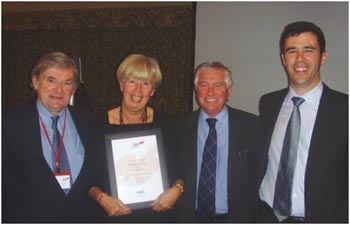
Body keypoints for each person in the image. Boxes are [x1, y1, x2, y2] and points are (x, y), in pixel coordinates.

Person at [257, 21, 348, 223]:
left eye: (308, 50)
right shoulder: (268, 103)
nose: (299, 59)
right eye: (292, 51)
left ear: (323, 56)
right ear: (283, 58)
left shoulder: (344, 109)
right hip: (267, 217)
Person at [2, 52, 104, 222]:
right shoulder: (8, 125)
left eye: (67, 83)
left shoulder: (89, 122)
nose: (59, 90)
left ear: (74, 88)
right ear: (35, 82)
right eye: (51, 80)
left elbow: (97, 174)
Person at [88, 54, 184, 222]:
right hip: (113, 217)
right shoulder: (97, 124)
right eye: (132, 81)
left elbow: (180, 171)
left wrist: (177, 190)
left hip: (159, 216)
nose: (138, 91)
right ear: (121, 84)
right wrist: (102, 198)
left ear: (152, 90)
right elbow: (87, 178)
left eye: (146, 83)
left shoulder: (166, 123)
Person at [176, 61, 259, 222]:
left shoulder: (253, 127)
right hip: (189, 218)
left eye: (218, 86)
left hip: (236, 219)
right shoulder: (178, 127)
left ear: (229, 91)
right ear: (196, 90)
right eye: (204, 85)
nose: (210, 92)